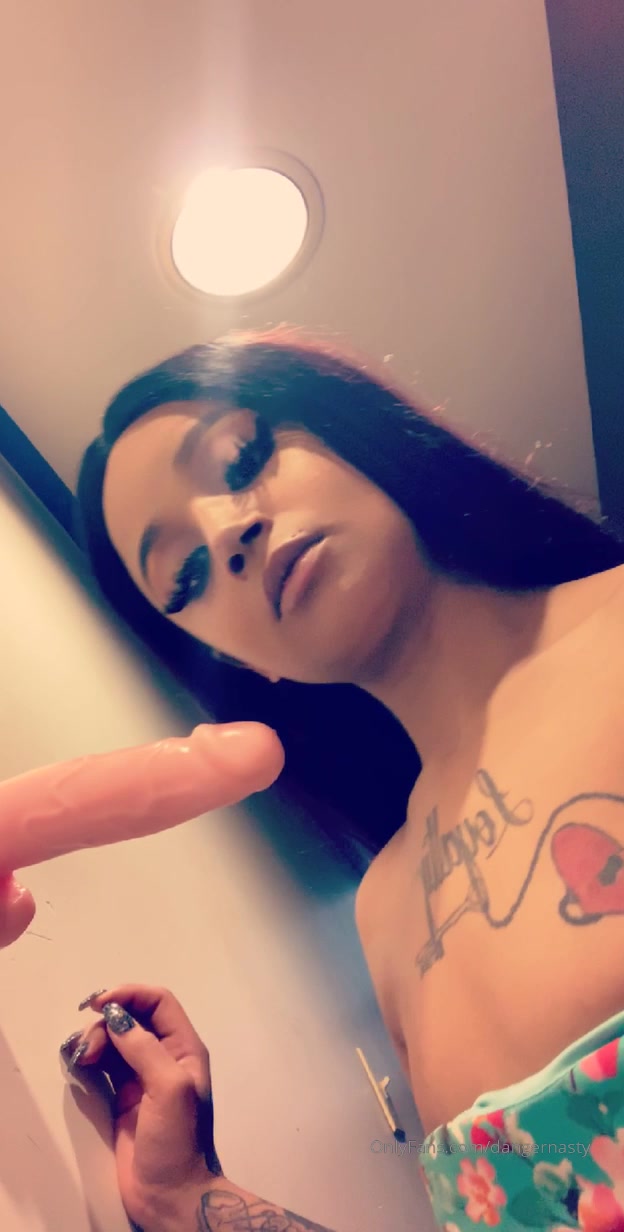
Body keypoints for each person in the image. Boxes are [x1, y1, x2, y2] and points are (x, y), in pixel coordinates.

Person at [73, 328, 624, 1230]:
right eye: (188, 574)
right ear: (234, 659)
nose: (229, 531)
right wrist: (188, 1196)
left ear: (348, 429)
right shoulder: (385, 908)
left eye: (240, 459)